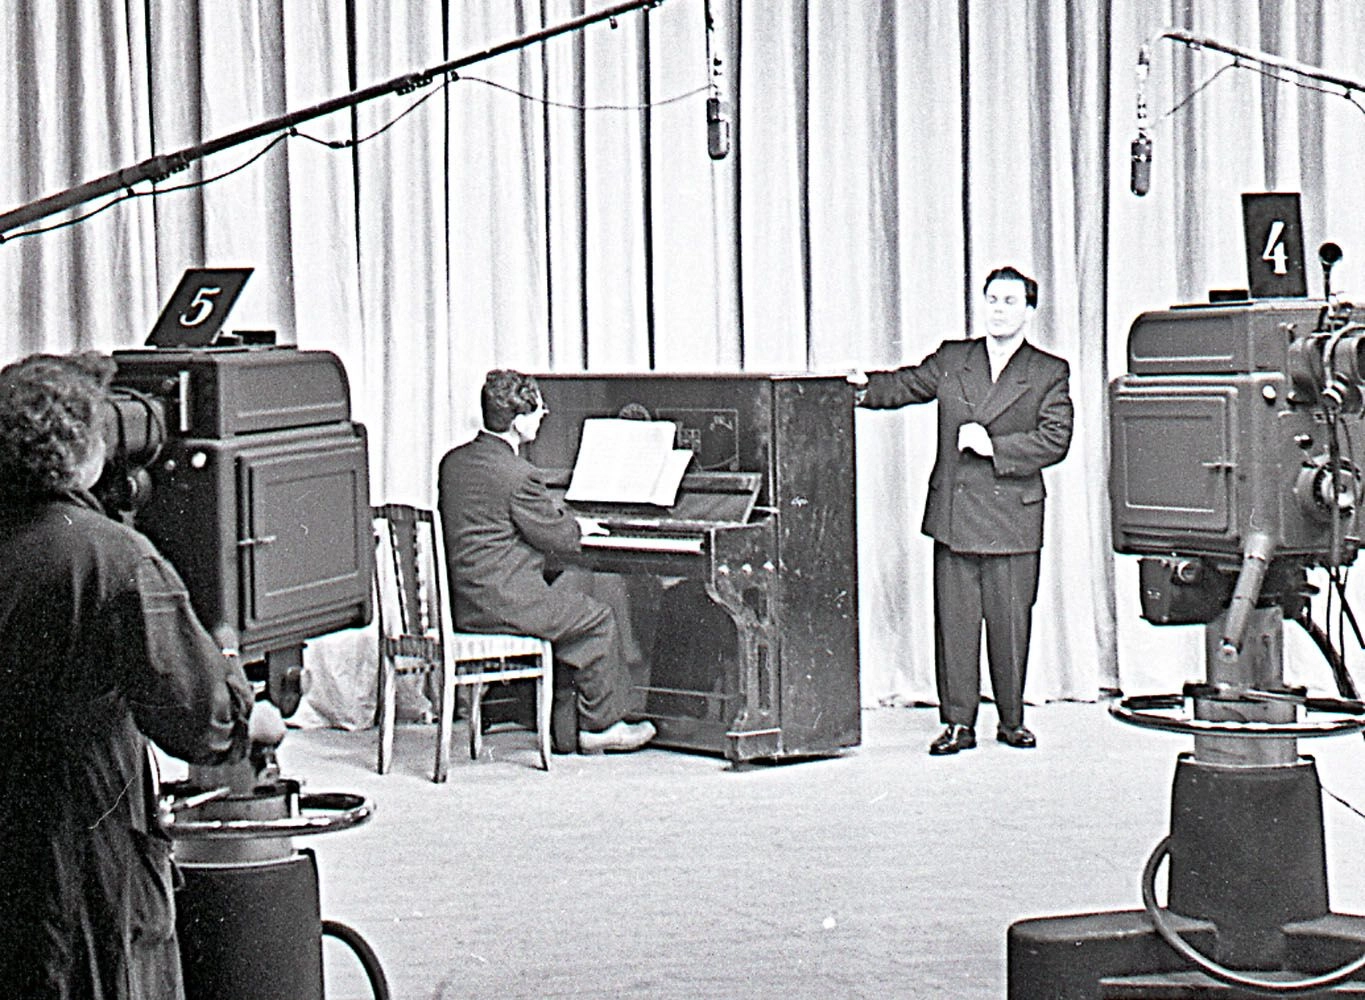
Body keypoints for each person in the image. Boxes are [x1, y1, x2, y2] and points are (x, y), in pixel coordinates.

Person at [0, 352, 280, 998]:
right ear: (83, 450)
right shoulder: (115, 561)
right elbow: (201, 719)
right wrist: (251, 713)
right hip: (78, 858)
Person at [856, 266, 1073, 755]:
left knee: (1011, 624)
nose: (999, 310)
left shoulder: (1048, 370)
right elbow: (905, 385)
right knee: (955, 625)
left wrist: (994, 446)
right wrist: (860, 387)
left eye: (1010, 301)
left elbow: (1056, 438)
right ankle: (958, 723)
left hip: (1012, 518)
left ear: (1029, 311)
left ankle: (1012, 720)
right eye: (992, 299)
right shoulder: (955, 358)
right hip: (955, 516)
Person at [437, 369, 656, 754]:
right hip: (504, 605)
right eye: (538, 410)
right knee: (597, 619)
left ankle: (562, 721)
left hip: (465, 604)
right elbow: (557, 538)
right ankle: (600, 726)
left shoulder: (453, 463)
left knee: (569, 596)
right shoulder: (519, 475)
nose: (544, 415)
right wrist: (577, 527)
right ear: (518, 421)